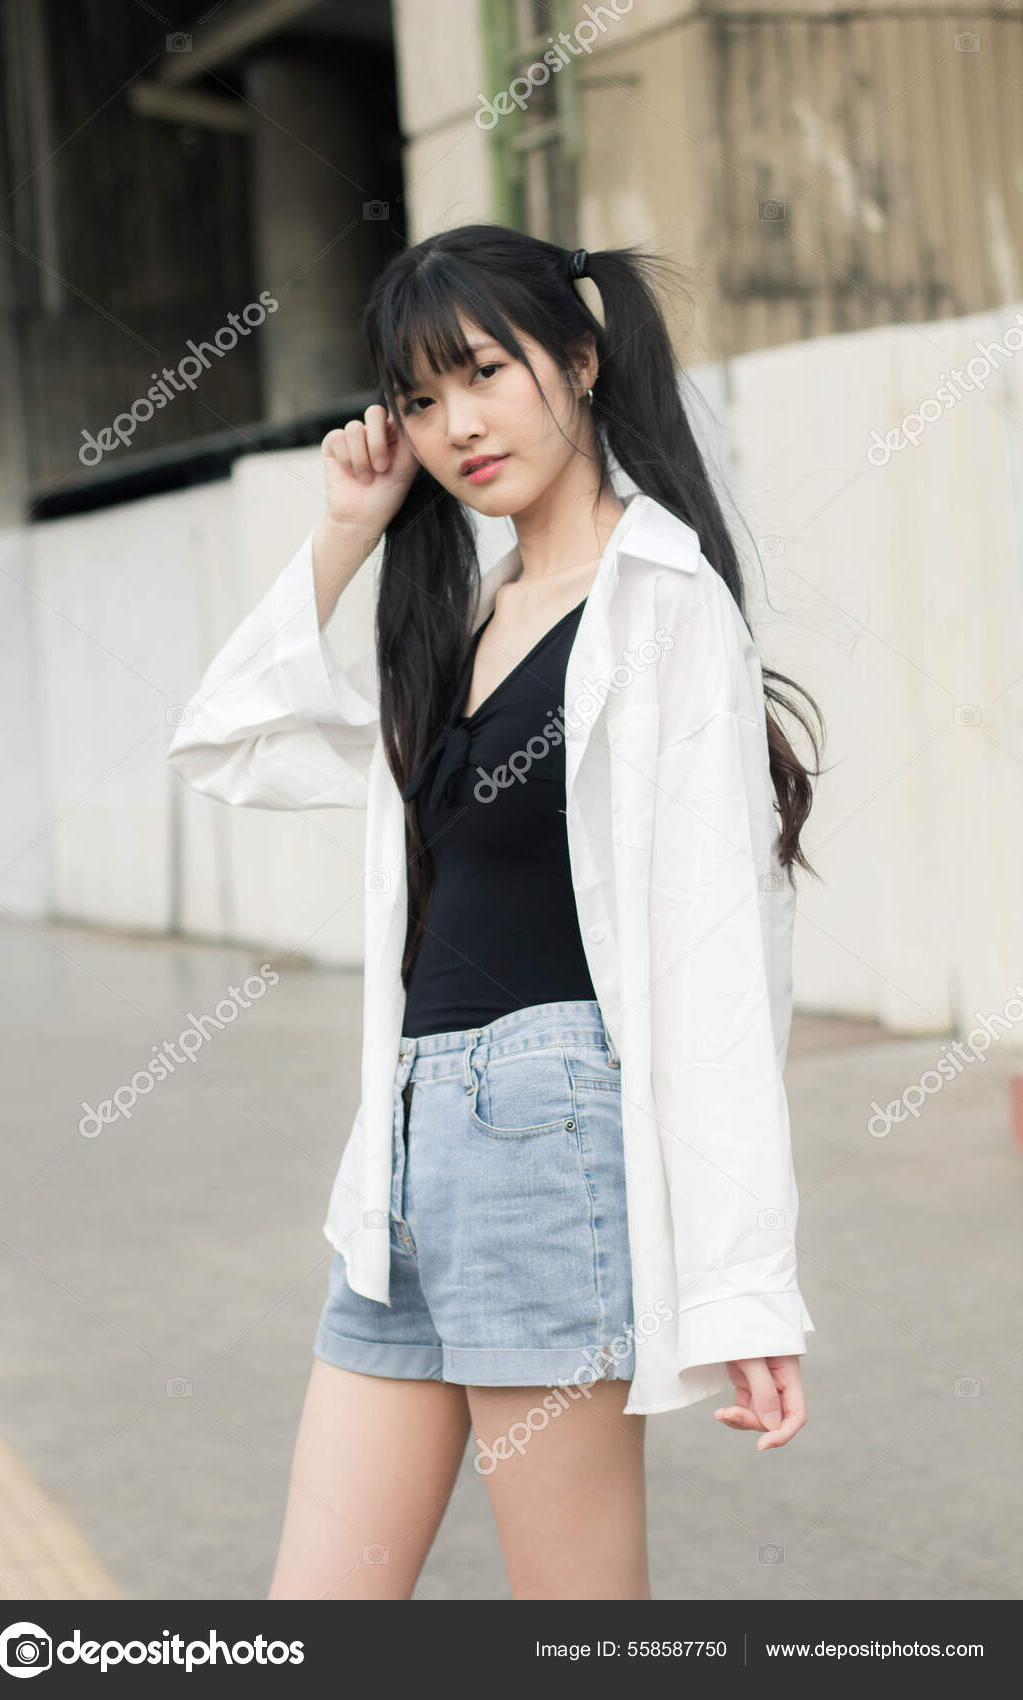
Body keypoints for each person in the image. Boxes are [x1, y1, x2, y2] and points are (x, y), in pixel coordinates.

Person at [167, 224, 825, 1601]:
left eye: (481, 371)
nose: (455, 424)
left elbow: (719, 961)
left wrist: (746, 1282)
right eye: (417, 397)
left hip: (552, 1135)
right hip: (403, 1162)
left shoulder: (662, 606)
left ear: (578, 361)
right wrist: (346, 531)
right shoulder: (466, 616)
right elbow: (226, 739)